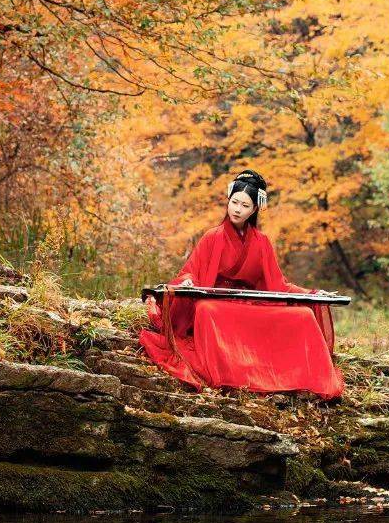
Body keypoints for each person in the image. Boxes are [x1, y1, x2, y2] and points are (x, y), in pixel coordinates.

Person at [140, 170, 343, 398]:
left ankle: (293, 374)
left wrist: (313, 293)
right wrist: (188, 281)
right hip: (215, 300)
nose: (237, 209)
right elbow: (191, 272)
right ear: (228, 201)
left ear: (255, 209)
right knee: (207, 311)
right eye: (234, 202)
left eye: (245, 206)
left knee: (303, 314)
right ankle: (227, 373)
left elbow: (279, 284)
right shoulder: (212, 237)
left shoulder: (262, 242)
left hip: (249, 300)